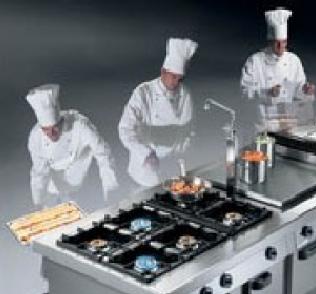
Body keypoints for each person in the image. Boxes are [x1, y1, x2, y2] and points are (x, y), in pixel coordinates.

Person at [118, 37, 197, 188]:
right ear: (163, 72)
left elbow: (189, 130)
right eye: (173, 77)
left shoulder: (185, 94)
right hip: (145, 168)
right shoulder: (143, 92)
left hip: (174, 167)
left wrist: (182, 151)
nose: (176, 83)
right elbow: (125, 129)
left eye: (180, 79)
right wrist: (145, 154)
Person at [26, 84, 118, 209]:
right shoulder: (35, 137)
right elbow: (39, 172)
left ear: (61, 121)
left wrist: (111, 190)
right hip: (52, 189)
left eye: (54, 128)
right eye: (46, 130)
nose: (51, 134)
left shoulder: (80, 126)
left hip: (82, 183)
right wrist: (38, 202)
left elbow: (103, 154)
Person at [240, 7, 315, 133]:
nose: (281, 47)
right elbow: (244, 92)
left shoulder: (293, 60)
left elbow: (298, 93)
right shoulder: (255, 61)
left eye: (284, 42)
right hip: (263, 124)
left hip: (288, 122)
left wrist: (305, 90)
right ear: (270, 41)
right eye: (277, 42)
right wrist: (267, 92)